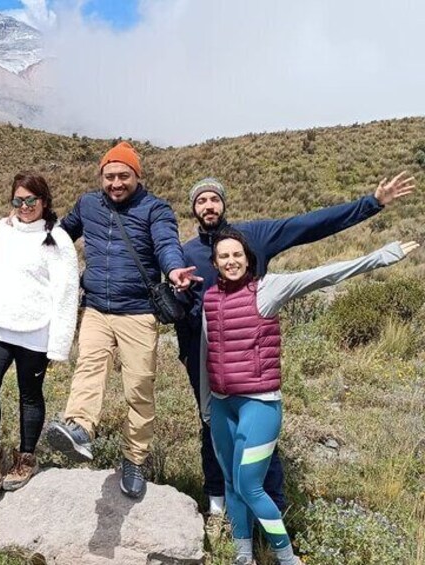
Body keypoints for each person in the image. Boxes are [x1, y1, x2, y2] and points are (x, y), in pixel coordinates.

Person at [176, 172, 415, 526]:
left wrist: (371, 203)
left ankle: (274, 509)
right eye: (201, 200)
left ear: (224, 203)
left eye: (214, 198)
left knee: (258, 432)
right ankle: (217, 503)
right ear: (194, 209)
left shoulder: (254, 236)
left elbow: (309, 225)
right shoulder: (186, 254)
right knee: (211, 427)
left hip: (253, 358)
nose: (208, 205)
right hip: (205, 357)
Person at [202, 229, 418, 565]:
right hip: (221, 405)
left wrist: (381, 256)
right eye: (223, 256)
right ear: (214, 262)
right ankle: (243, 556)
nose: (231, 261)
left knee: (250, 485)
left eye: (237, 255)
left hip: (259, 404)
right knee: (231, 482)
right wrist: (207, 402)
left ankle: (287, 559)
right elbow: (208, 351)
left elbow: (323, 274)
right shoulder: (210, 298)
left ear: (248, 258)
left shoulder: (267, 289)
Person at [46, 141, 199, 499]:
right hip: (97, 308)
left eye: (123, 176)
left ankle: (135, 458)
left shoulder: (155, 209)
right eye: (110, 176)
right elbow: (60, 236)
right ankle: (80, 427)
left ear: (137, 175)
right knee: (88, 366)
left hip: (138, 313)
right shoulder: (87, 204)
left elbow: (166, 244)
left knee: (138, 389)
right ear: (101, 176)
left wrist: (174, 269)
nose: (116, 183)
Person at [0, 172, 79, 495]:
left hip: (35, 330)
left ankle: (26, 457)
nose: (24, 206)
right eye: (18, 200)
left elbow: (66, 293)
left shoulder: (58, 240)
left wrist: (59, 345)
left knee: (29, 394)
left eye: (30, 200)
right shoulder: (1, 230)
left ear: (44, 201)